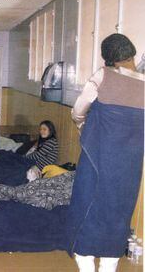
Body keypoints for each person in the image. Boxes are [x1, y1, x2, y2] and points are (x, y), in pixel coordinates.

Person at [67, 33, 144, 272]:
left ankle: (85, 260)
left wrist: (83, 126)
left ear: (108, 59)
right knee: (119, 207)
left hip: (99, 155)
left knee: (87, 200)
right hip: (129, 161)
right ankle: (109, 264)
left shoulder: (102, 76)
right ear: (132, 54)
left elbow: (78, 111)